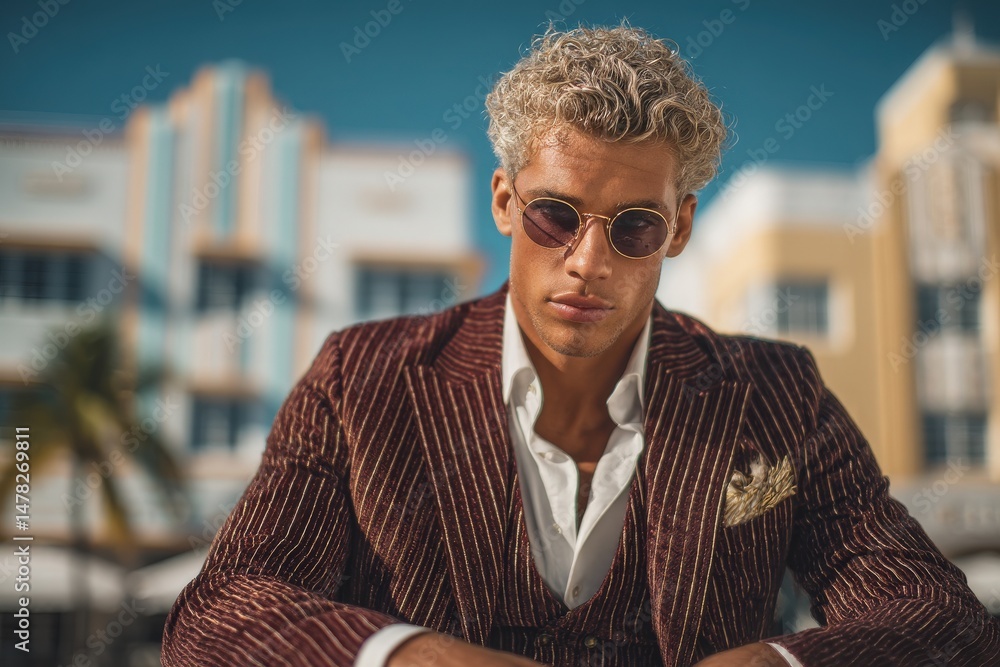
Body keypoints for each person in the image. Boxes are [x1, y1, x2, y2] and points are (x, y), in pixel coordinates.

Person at [161, 23, 1000, 667]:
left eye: (634, 227)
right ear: (502, 201)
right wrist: (412, 655)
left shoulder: (776, 392)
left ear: (680, 229)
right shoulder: (362, 379)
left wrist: (777, 661)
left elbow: (942, 616)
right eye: (554, 215)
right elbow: (217, 612)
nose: (587, 261)